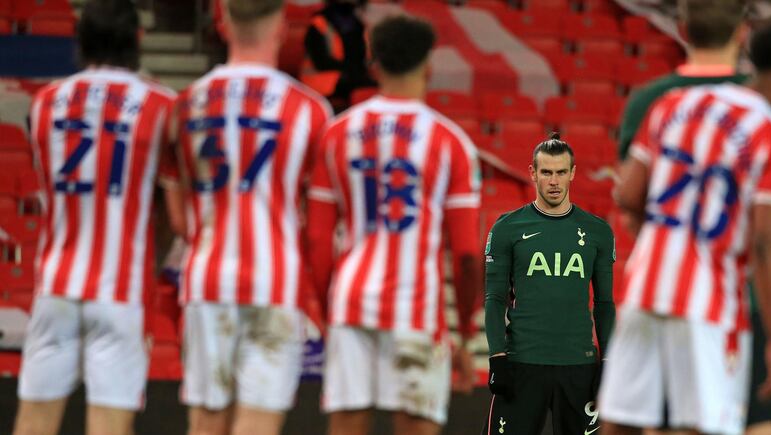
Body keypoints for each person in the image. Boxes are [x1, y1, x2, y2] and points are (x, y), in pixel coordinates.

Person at [601, 17, 771, 435]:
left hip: (644, 290)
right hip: (711, 303)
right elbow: (766, 245)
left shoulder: (675, 105)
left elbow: (628, 195)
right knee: (705, 424)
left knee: (621, 422)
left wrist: (665, 243)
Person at [159, 0, 332, 434]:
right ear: (282, 25)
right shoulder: (310, 110)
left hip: (207, 282)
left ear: (222, 22)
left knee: (205, 424)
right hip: (274, 284)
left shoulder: (184, 106)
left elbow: (178, 221)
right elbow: (320, 221)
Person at [306, 15, 481, 435]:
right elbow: (469, 253)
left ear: (374, 63)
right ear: (428, 65)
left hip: (350, 300)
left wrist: (326, 307)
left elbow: (316, 238)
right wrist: (467, 329)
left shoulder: (337, 133)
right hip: (416, 307)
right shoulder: (450, 141)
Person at [13, 1, 176, 434]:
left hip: (56, 286)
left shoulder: (44, 103)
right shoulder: (161, 104)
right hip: (119, 290)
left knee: (32, 424)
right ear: (138, 41)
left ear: (80, 43)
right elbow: (169, 210)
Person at [482, 133, 616, 435]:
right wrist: (496, 355)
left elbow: (605, 304)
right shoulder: (507, 228)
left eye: (560, 172)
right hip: (521, 365)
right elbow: (494, 298)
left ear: (572, 173)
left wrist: (607, 358)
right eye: (546, 172)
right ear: (533, 173)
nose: (553, 181)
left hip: (579, 368)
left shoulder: (598, 232)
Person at [618, 0, 749, 161]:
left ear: (682, 30)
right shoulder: (768, 98)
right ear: (742, 33)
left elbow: (628, 177)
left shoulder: (647, 100)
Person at [301, 0, 374, 106]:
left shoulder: (357, 23)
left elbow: (362, 58)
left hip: (349, 79)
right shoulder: (319, 22)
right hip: (322, 84)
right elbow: (321, 62)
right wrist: (353, 71)